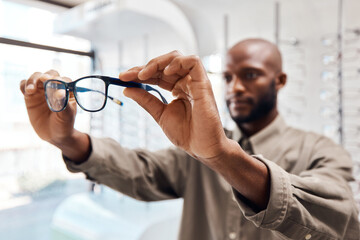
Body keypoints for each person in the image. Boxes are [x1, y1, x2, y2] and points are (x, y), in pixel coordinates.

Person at [20, 38, 359, 240]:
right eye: (227, 77)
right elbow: (141, 171)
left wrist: (223, 157)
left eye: (251, 75)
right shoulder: (195, 151)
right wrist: (66, 139)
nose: (234, 88)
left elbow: (341, 219)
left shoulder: (319, 151)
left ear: (280, 80)